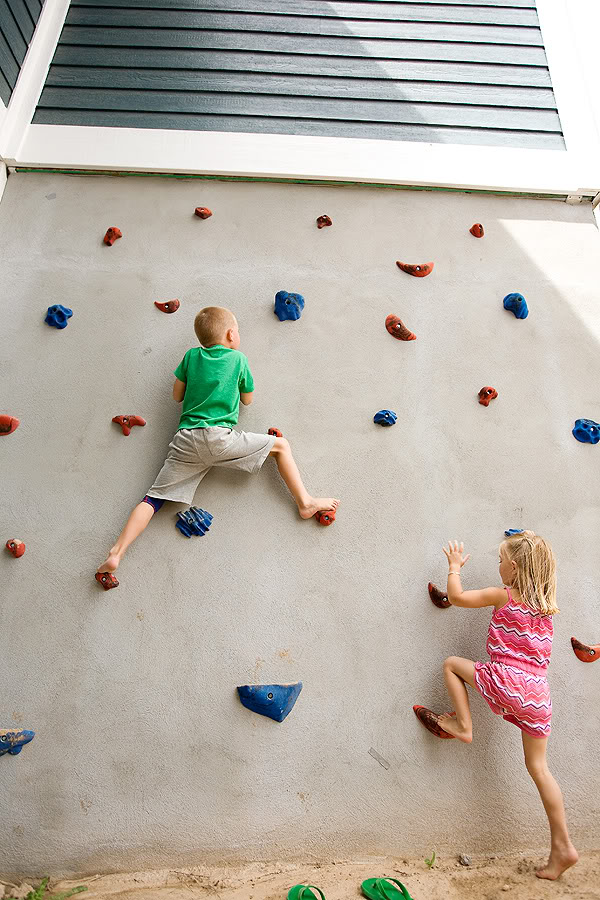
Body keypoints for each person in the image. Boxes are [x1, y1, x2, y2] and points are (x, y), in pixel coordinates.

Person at [96, 306, 339, 588]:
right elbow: (248, 400)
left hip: (185, 439)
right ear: (231, 334)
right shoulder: (238, 359)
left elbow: (177, 395)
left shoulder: (191, 356)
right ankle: (306, 503)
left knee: (153, 499)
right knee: (281, 446)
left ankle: (116, 552)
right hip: (219, 438)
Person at [414, 532, 578, 881]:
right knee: (539, 769)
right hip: (537, 696)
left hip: (507, 682)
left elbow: (456, 597)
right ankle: (563, 846)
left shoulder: (503, 595)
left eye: (501, 561)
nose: (499, 567)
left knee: (451, 665)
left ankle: (463, 725)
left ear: (514, 568)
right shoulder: (546, 607)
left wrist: (454, 567)